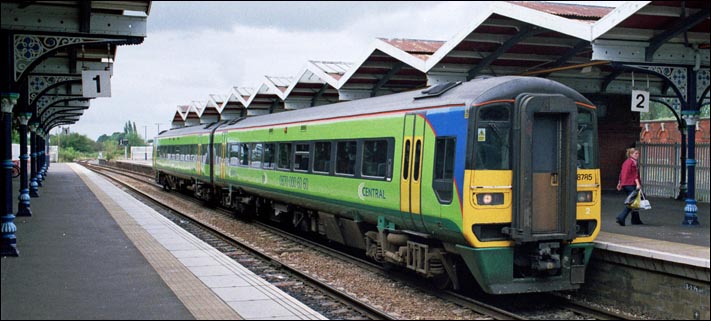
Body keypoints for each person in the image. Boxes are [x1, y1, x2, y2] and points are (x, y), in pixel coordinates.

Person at [616, 147, 644, 226]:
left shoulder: (625, 162)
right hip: (631, 184)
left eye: (638, 153)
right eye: (636, 153)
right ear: (631, 154)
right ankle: (621, 217)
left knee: (634, 201)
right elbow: (634, 175)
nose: (637, 155)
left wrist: (619, 183)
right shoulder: (633, 162)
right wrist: (638, 184)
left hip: (625, 184)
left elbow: (621, 173)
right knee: (632, 202)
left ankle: (636, 219)